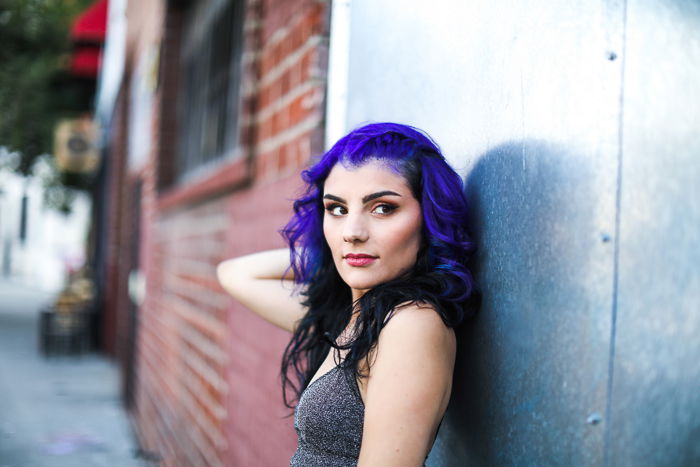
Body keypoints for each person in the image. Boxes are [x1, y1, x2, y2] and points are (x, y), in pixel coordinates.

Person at [217, 122, 474, 466]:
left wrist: (341, 252)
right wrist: (330, 254)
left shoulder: (411, 323)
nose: (352, 232)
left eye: (383, 208)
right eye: (337, 209)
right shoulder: (349, 317)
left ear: (428, 219)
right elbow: (235, 274)